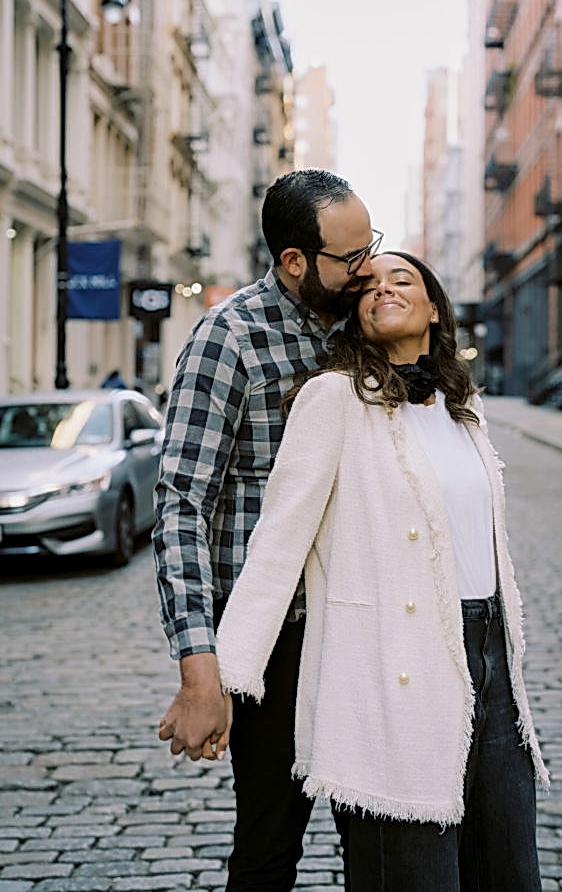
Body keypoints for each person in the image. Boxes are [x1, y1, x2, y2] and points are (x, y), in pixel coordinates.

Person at [213, 251, 550, 892]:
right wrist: (226, 676)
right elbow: (279, 541)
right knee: (412, 875)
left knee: (507, 868)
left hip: (491, 660)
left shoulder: (461, 405)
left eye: (403, 280)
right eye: (368, 285)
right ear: (356, 314)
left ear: (433, 308)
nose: (383, 290)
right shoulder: (332, 397)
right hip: (392, 663)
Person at [153, 169, 380, 891]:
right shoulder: (229, 339)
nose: (366, 268)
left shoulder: (367, 325)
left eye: (369, 246)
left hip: (363, 630)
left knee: (383, 841)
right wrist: (199, 669)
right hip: (277, 636)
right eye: (349, 258)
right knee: (268, 842)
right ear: (292, 260)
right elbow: (182, 502)